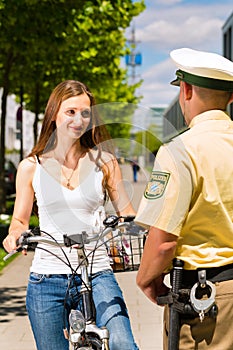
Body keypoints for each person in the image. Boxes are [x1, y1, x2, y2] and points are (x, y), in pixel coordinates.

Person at [3, 80, 139, 350]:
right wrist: (15, 235)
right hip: (46, 278)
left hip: (97, 272)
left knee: (124, 344)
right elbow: (19, 219)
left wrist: (127, 225)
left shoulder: (105, 162)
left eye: (85, 113)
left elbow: (127, 213)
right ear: (54, 114)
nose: (79, 119)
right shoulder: (31, 166)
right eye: (71, 112)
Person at [135, 48, 233, 349]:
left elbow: (163, 240)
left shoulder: (179, 151)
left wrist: (146, 279)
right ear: (229, 98)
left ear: (186, 90)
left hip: (205, 300)